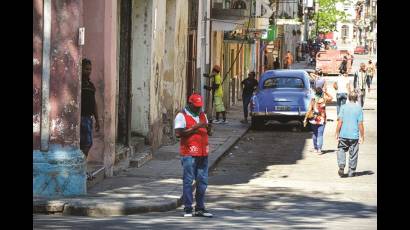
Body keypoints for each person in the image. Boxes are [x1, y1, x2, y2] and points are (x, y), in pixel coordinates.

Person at [174, 94, 213, 217]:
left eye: (199, 106)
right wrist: (195, 127)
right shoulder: (182, 116)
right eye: (196, 107)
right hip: (189, 153)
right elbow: (178, 133)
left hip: (203, 153)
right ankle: (188, 208)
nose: (198, 109)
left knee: (202, 181)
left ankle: (200, 208)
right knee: (188, 181)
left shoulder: (203, 115)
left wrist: (209, 128)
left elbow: (209, 132)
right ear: (190, 104)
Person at [335, 91, 364, 177]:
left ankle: (341, 164)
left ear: (348, 98)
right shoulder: (359, 108)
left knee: (341, 149)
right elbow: (360, 124)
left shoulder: (343, 107)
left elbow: (340, 122)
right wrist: (362, 136)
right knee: (353, 153)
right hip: (354, 135)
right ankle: (351, 171)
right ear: (356, 99)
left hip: (343, 134)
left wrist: (337, 132)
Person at [304, 79, 333, 154]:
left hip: (314, 119)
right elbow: (331, 98)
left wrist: (305, 119)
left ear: (315, 93)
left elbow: (309, 109)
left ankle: (315, 148)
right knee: (320, 134)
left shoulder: (313, 100)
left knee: (314, 133)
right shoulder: (324, 99)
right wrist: (325, 92)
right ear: (321, 93)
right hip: (322, 119)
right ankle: (319, 149)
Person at [80, 58, 100, 159]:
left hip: (88, 118)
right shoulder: (78, 85)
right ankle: (81, 167)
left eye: (90, 69)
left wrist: (97, 119)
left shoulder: (90, 86)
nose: (88, 71)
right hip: (81, 118)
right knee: (85, 143)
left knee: (88, 143)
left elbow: (93, 103)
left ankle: (82, 165)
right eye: (86, 69)